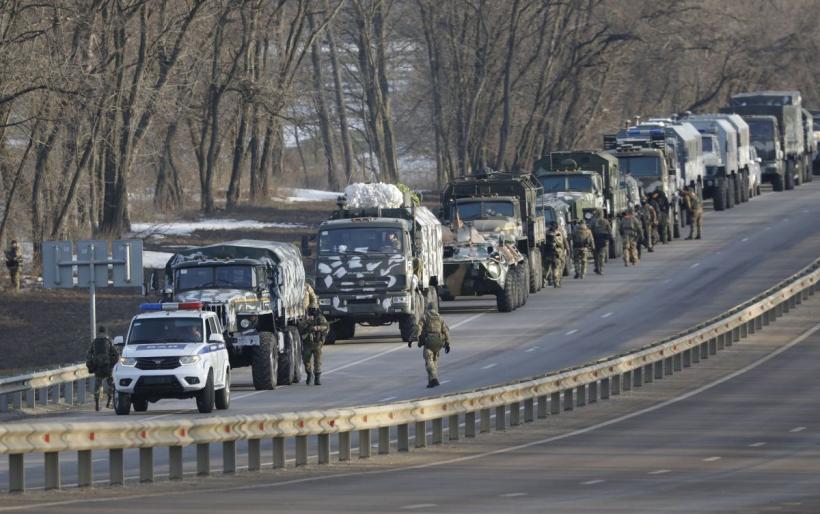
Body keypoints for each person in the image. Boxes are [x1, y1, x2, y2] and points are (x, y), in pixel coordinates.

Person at [415, 303, 450, 388]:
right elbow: (445, 331)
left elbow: (419, 328)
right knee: (434, 360)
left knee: (429, 360)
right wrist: (448, 343)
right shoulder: (440, 318)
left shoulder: (425, 316)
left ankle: (434, 378)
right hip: (438, 341)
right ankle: (431, 381)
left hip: (429, 341)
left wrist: (416, 338)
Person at [85, 326, 119, 411]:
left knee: (98, 385)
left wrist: (91, 364)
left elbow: (88, 354)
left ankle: (97, 404)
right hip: (107, 367)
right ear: (105, 331)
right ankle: (109, 403)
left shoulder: (94, 342)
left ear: (98, 332)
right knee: (111, 385)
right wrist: (112, 364)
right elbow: (116, 354)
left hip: (98, 367)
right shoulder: (109, 341)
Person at [298, 303, 329, 385]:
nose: (312, 311)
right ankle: (309, 374)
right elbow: (300, 328)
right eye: (311, 309)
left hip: (317, 343)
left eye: (314, 309)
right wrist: (308, 324)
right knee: (306, 361)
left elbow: (326, 327)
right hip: (307, 343)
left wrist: (318, 328)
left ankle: (317, 378)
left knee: (317, 361)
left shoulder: (321, 318)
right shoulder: (305, 318)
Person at [590, 209, 612, 275]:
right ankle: (601, 269)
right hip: (603, 239)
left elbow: (590, 230)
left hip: (595, 239)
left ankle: (597, 267)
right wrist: (610, 238)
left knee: (596, 255)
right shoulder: (606, 221)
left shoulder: (593, 221)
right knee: (602, 255)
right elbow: (609, 230)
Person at [545, 223, 566, 288]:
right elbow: (561, 244)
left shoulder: (546, 233)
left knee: (547, 269)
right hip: (556, 254)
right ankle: (556, 282)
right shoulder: (558, 234)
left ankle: (546, 281)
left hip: (548, 254)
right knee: (556, 268)